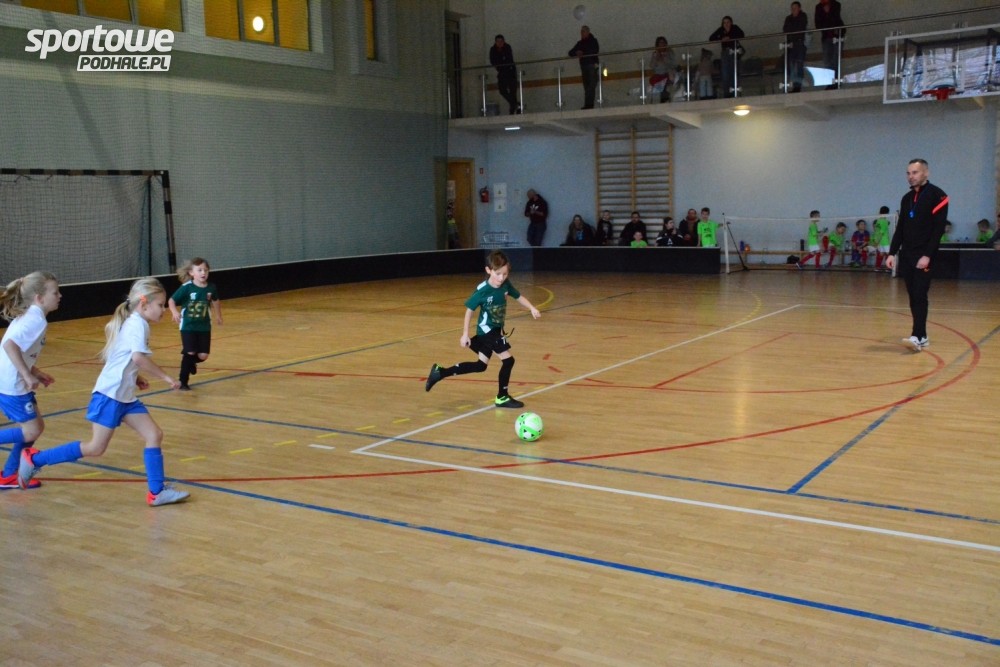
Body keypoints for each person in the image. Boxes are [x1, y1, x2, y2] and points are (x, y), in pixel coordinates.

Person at [17, 278, 190, 506]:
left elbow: (122, 357)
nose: (163, 310)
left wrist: (134, 377)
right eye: (160, 305)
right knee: (95, 448)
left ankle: (156, 492)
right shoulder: (137, 324)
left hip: (124, 397)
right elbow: (138, 357)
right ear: (144, 304)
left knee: (154, 435)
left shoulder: (136, 322)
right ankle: (36, 459)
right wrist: (166, 377)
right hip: (109, 396)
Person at [425, 250, 541, 409]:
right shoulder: (482, 290)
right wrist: (465, 334)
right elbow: (469, 311)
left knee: (480, 366)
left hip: (496, 330)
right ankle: (502, 397)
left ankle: (440, 372)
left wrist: (532, 308)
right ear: (488, 270)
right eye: (498, 274)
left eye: (505, 274)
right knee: (509, 360)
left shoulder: (505, 285)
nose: (501, 278)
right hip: (487, 331)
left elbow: (518, 296)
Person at [0, 272, 61, 490]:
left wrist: (35, 371)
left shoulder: (32, 316)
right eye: (55, 292)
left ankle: (9, 474)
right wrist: (26, 375)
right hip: (12, 384)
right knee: (32, 430)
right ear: (39, 297)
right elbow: (9, 346)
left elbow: (18, 350)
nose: (60, 296)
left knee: (35, 427)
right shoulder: (35, 319)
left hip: (10, 380)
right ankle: (9, 474)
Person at [886, 158, 949, 352]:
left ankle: (917, 335)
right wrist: (892, 253)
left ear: (925, 173)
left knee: (920, 294)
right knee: (913, 295)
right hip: (907, 255)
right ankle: (922, 336)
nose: (911, 176)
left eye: (915, 172)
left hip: (924, 256)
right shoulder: (906, 198)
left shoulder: (938, 195)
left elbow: (938, 229)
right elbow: (901, 228)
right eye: (908, 173)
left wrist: (927, 255)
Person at [168, 257, 223, 391]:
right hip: (188, 326)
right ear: (191, 273)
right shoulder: (187, 287)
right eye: (200, 270)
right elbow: (171, 300)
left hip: (204, 326)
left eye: (206, 270)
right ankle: (183, 381)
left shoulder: (211, 287)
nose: (203, 273)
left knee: (203, 355)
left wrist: (218, 316)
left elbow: (216, 301)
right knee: (191, 351)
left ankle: (191, 362)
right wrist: (174, 312)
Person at [709, 16, 745, 98]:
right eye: (724, 23)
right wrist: (721, 38)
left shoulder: (735, 28)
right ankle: (727, 93)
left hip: (734, 51)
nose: (726, 24)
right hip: (725, 52)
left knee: (734, 72)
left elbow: (742, 34)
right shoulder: (721, 30)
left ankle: (734, 92)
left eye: (728, 22)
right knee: (725, 73)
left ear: (731, 22)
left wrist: (730, 38)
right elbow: (711, 38)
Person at [815, 0, 845, 89]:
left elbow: (835, 19)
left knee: (835, 60)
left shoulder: (836, 4)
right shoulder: (819, 7)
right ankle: (830, 82)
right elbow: (818, 24)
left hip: (837, 36)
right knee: (827, 61)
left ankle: (836, 82)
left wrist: (828, 13)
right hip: (826, 37)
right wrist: (825, 14)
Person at [569, 25, 600, 109]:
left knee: (591, 86)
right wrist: (576, 53)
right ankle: (588, 104)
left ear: (588, 32)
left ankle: (589, 105)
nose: (582, 33)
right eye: (581, 32)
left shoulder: (593, 41)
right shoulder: (580, 43)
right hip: (584, 66)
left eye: (583, 32)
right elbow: (570, 53)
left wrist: (582, 52)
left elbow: (594, 50)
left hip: (591, 65)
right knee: (586, 86)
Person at [489, 34, 521, 115]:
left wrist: (500, 63)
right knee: (502, 90)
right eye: (498, 41)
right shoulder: (493, 49)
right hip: (502, 72)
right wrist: (499, 65)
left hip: (510, 71)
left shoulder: (507, 47)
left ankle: (513, 108)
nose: (499, 43)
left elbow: (508, 59)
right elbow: (493, 61)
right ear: (495, 42)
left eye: (501, 41)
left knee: (513, 91)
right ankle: (515, 104)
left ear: (503, 41)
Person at [783, 2, 808, 92]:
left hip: (799, 43)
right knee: (791, 65)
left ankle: (798, 86)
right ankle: (794, 85)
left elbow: (800, 28)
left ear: (799, 8)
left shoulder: (803, 16)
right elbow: (785, 30)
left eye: (795, 8)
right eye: (792, 8)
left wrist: (793, 31)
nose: (793, 10)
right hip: (791, 44)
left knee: (799, 64)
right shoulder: (788, 18)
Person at [649, 36, 676, 103]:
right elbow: (652, 66)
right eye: (660, 43)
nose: (662, 44)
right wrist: (656, 58)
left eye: (663, 42)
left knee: (666, 83)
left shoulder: (670, 52)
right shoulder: (655, 53)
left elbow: (673, 64)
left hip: (668, 74)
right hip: (658, 75)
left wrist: (664, 58)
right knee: (659, 83)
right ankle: (663, 99)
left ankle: (664, 99)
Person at [872, 205, 892, 270]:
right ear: (887, 213)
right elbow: (881, 232)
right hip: (885, 241)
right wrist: (877, 241)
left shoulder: (878, 221)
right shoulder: (884, 221)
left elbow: (878, 231)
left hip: (880, 242)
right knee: (888, 254)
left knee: (881, 254)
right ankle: (889, 268)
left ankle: (877, 267)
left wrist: (876, 241)